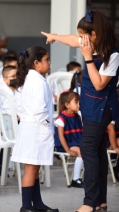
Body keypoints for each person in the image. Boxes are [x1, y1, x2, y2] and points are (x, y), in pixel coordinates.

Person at [41, 10, 119, 212]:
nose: (79, 40)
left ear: (94, 35)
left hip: (102, 110)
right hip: (92, 109)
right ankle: (100, 202)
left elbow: (99, 84)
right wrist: (54, 37)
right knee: (98, 153)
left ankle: (89, 203)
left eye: (82, 36)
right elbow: (71, 40)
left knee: (89, 150)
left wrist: (88, 59)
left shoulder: (112, 55)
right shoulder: (89, 44)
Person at [11, 46, 59, 212]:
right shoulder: (36, 81)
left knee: (35, 168)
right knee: (31, 168)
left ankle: (37, 204)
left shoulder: (30, 79)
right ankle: (25, 207)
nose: (50, 63)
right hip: (36, 129)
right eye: (46, 60)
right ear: (37, 63)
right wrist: (46, 123)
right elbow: (40, 108)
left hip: (31, 127)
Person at [54, 91, 84, 188]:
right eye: (76, 102)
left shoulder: (77, 116)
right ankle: (76, 179)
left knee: (90, 150)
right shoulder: (61, 119)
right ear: (67, 105)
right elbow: (61, 136)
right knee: (81, 152)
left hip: (75, 142)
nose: (79, 104)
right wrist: (67, 150)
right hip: (65, 145)